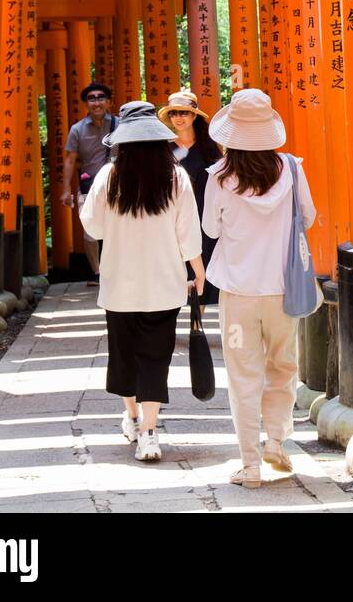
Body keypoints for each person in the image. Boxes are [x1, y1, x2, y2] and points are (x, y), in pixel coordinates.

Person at [201, 88, 316, 488]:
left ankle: (250, 464)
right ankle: (277, 442)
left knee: (243, 375)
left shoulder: (218, 177)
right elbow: (309, 216)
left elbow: (210, 229)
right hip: (283, 289)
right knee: (282, 367)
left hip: (238, 290)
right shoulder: (292, 169)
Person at [80, 101, 205, 463]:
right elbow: (187, 232)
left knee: (124, 355)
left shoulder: (109, 175)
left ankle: (133, 418)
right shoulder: (175, 175)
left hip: (119, 283)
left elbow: (94, 227)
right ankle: (150, 433)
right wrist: (197, 269)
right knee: (155, 357)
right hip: (164, 283)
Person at [159, 90, 223, 305]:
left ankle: (198, 320)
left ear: (194, 115)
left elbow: (221, 181)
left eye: (184, 112)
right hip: (172, 218)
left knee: (202, 265)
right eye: (174, 113)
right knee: (174, 268)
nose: (179, 117)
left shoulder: (209, 147)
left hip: (205, 216)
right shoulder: (164, 149)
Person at [62, 82, 118, 277]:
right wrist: (65, 189)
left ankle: (115, 268)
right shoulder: (77, 129)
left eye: (101, 97)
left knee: (118, 227)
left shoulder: (119, 125)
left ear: (109, 102)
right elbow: (70, 160)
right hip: (89, 187)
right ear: (86, 104)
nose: (96, 102)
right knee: (89, 231)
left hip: (117, 186)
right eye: (92, 98)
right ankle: (97, 271)